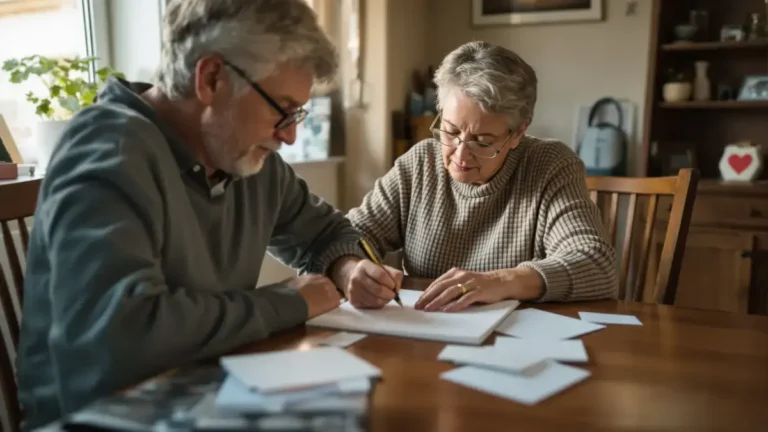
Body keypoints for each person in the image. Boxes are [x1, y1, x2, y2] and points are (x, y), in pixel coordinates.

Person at [16, 0, 401, 428]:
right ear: (212, 78)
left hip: (208, 393)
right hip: (104, 416)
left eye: (298, 114)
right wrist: (288, 301)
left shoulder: (248, 160)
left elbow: (327, 233)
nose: (290, 136)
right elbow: (122, 337)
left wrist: (347, 268)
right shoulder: (108, 150)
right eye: (282, 110)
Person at [345, 41, 617, 313]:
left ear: (518, 133)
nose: (460, 155)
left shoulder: (550, 166)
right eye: (450, 131)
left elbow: (595, 264)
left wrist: (501, 281)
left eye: (483, 141)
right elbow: (345, 238)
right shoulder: (419, 164)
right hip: (429, 332)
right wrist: (351, 269)